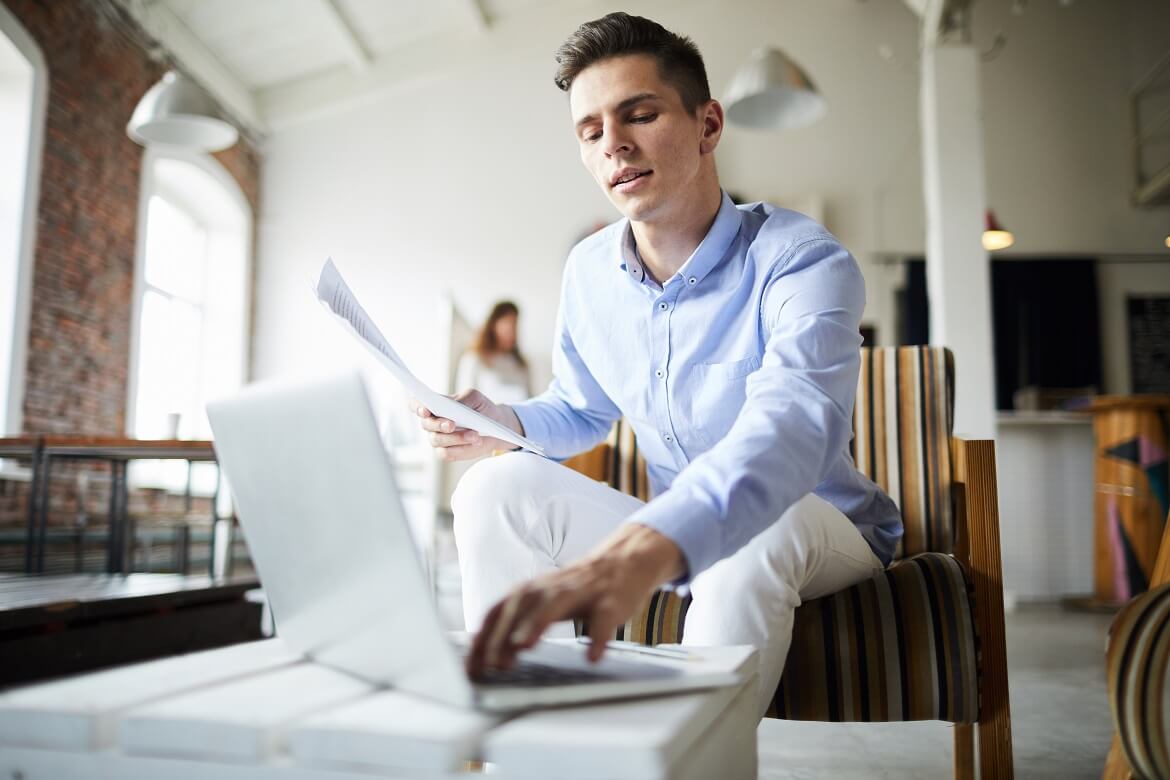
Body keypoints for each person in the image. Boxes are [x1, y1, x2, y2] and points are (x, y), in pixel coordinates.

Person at [412, 12, 902, 719]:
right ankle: (532, 747)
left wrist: (657, 542)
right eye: (590, 131)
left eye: (638, 114)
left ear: (708, 126)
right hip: (669, 518)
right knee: (496, 487)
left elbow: (792, 426)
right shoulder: (588, 271)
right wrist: (503, 422)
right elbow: (581, 408)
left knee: (752, 529)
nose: (613, 144)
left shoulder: (800, 257)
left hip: (821, 523)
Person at [455, 301, 532, 405]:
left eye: (515, 325)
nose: (512, 332)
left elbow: (530, 400)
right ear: (493, 325)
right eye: (508, 325)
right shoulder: (474, 359)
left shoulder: (521, 365)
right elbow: (462, 402)